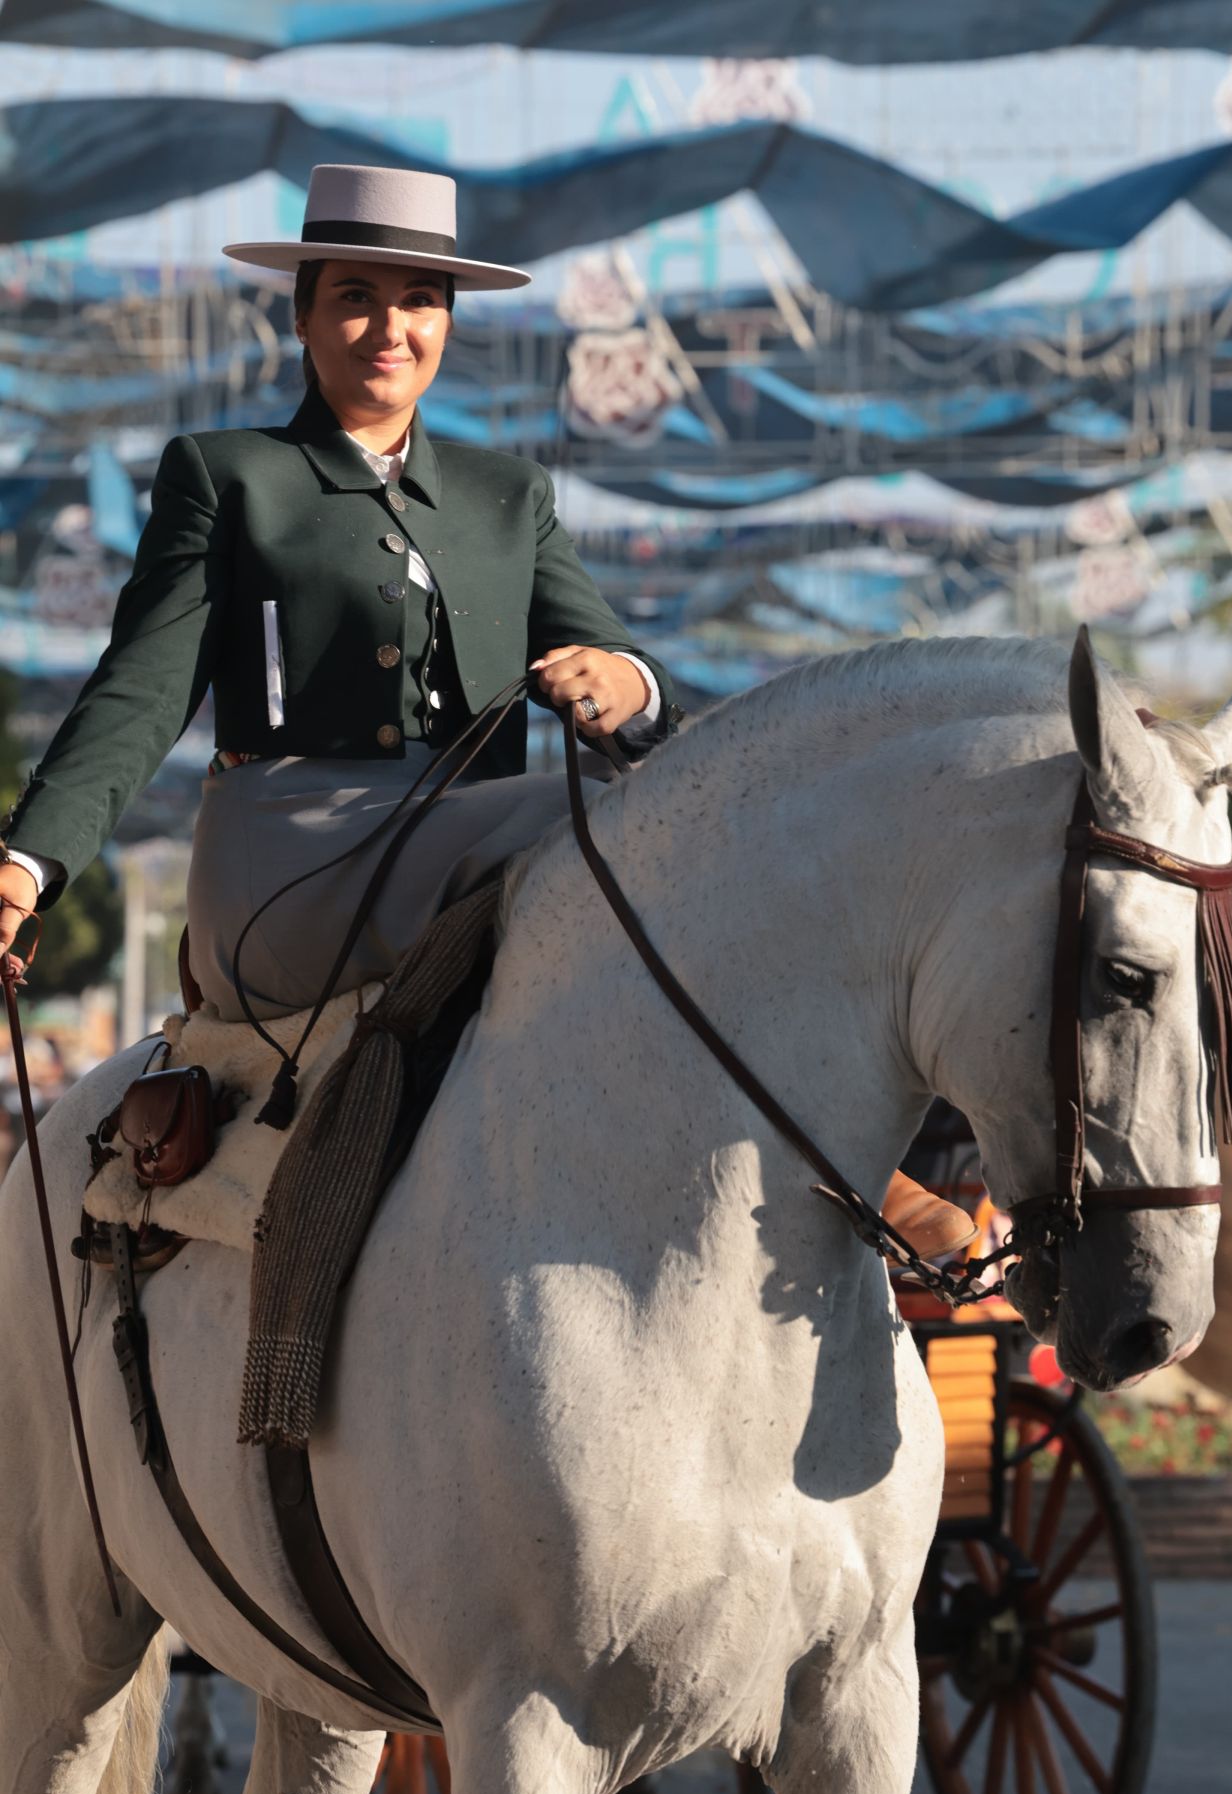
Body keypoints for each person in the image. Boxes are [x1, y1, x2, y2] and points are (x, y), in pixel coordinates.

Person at [0, 162, 971, 1259]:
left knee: (646, 829)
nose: (388, 326)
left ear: (448, 321)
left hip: (479, 843)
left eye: (418, 298)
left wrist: (626, 686)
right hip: (284, 853)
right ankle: (860, 1172)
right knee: (585, 836)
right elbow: (139, 690)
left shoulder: (512, 497)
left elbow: (620, 665)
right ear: (303, 314)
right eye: (355, 295)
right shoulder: (228, 478)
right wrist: (26, 865)